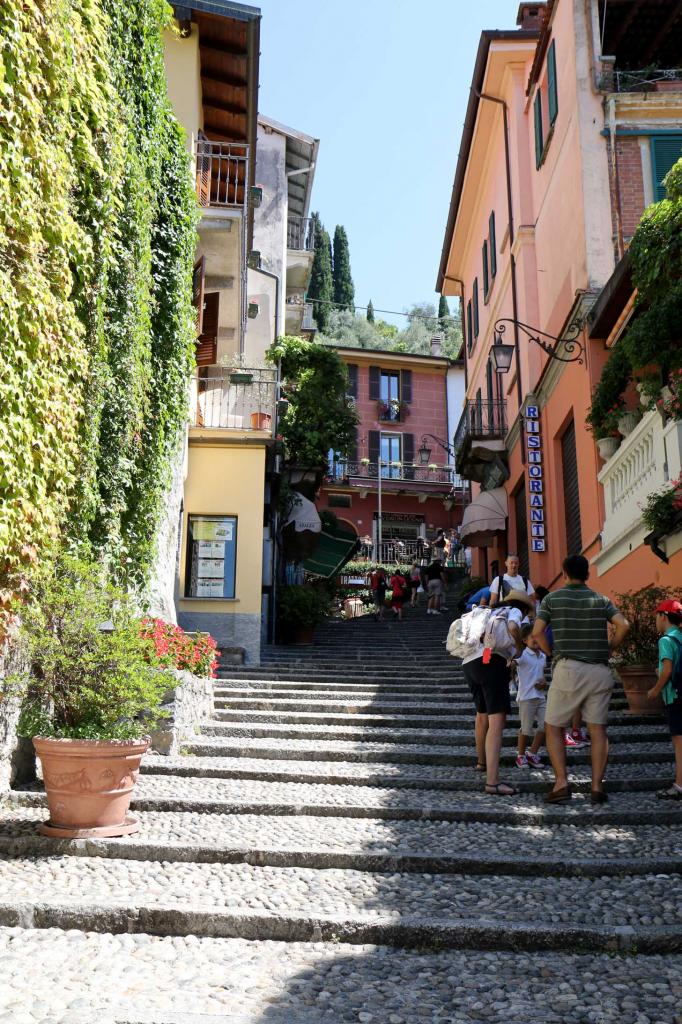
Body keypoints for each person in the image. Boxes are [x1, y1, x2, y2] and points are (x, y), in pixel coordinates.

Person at [532, 554, 630, 805]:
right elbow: (624, 625)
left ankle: (562, 783)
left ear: (564, 573)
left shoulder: (553, 599)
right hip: (599, 670)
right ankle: (597, 787)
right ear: (587, 574)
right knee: (597, 730)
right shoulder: (600, 600)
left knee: (554, 727)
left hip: (569, 669)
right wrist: (610, 648)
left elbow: (537, 632)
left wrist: (550, 652)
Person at [463, 589, 533, 796]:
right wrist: (520, 648)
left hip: (470, 662)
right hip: (492, 662)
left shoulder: (492, 611)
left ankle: (481, 762)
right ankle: (492, 782)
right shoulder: (515, 612)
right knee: (497, 722)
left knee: (481, 714)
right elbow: (512, 627)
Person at [647, 599, 682, 800]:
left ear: (663, 616)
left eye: (657, 617)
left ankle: (679, 785)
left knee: (679, 741)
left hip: (675, 696)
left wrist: (655, 689)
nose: (656, 621)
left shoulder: (666, 640)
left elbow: (668, 670)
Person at [513, 623, 547, 769]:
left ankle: (532, 753)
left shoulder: (543, 656)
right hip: (526, 698)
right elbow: (515, 662)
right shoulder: (523, 655)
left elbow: (540, 674)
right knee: (526, 729)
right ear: (524, 640)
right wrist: (511, 663)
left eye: (537, 636)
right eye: (532, 636)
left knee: (545, 725)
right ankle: (520, 756)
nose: (535, 639)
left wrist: (544, 683)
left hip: (540, 696)